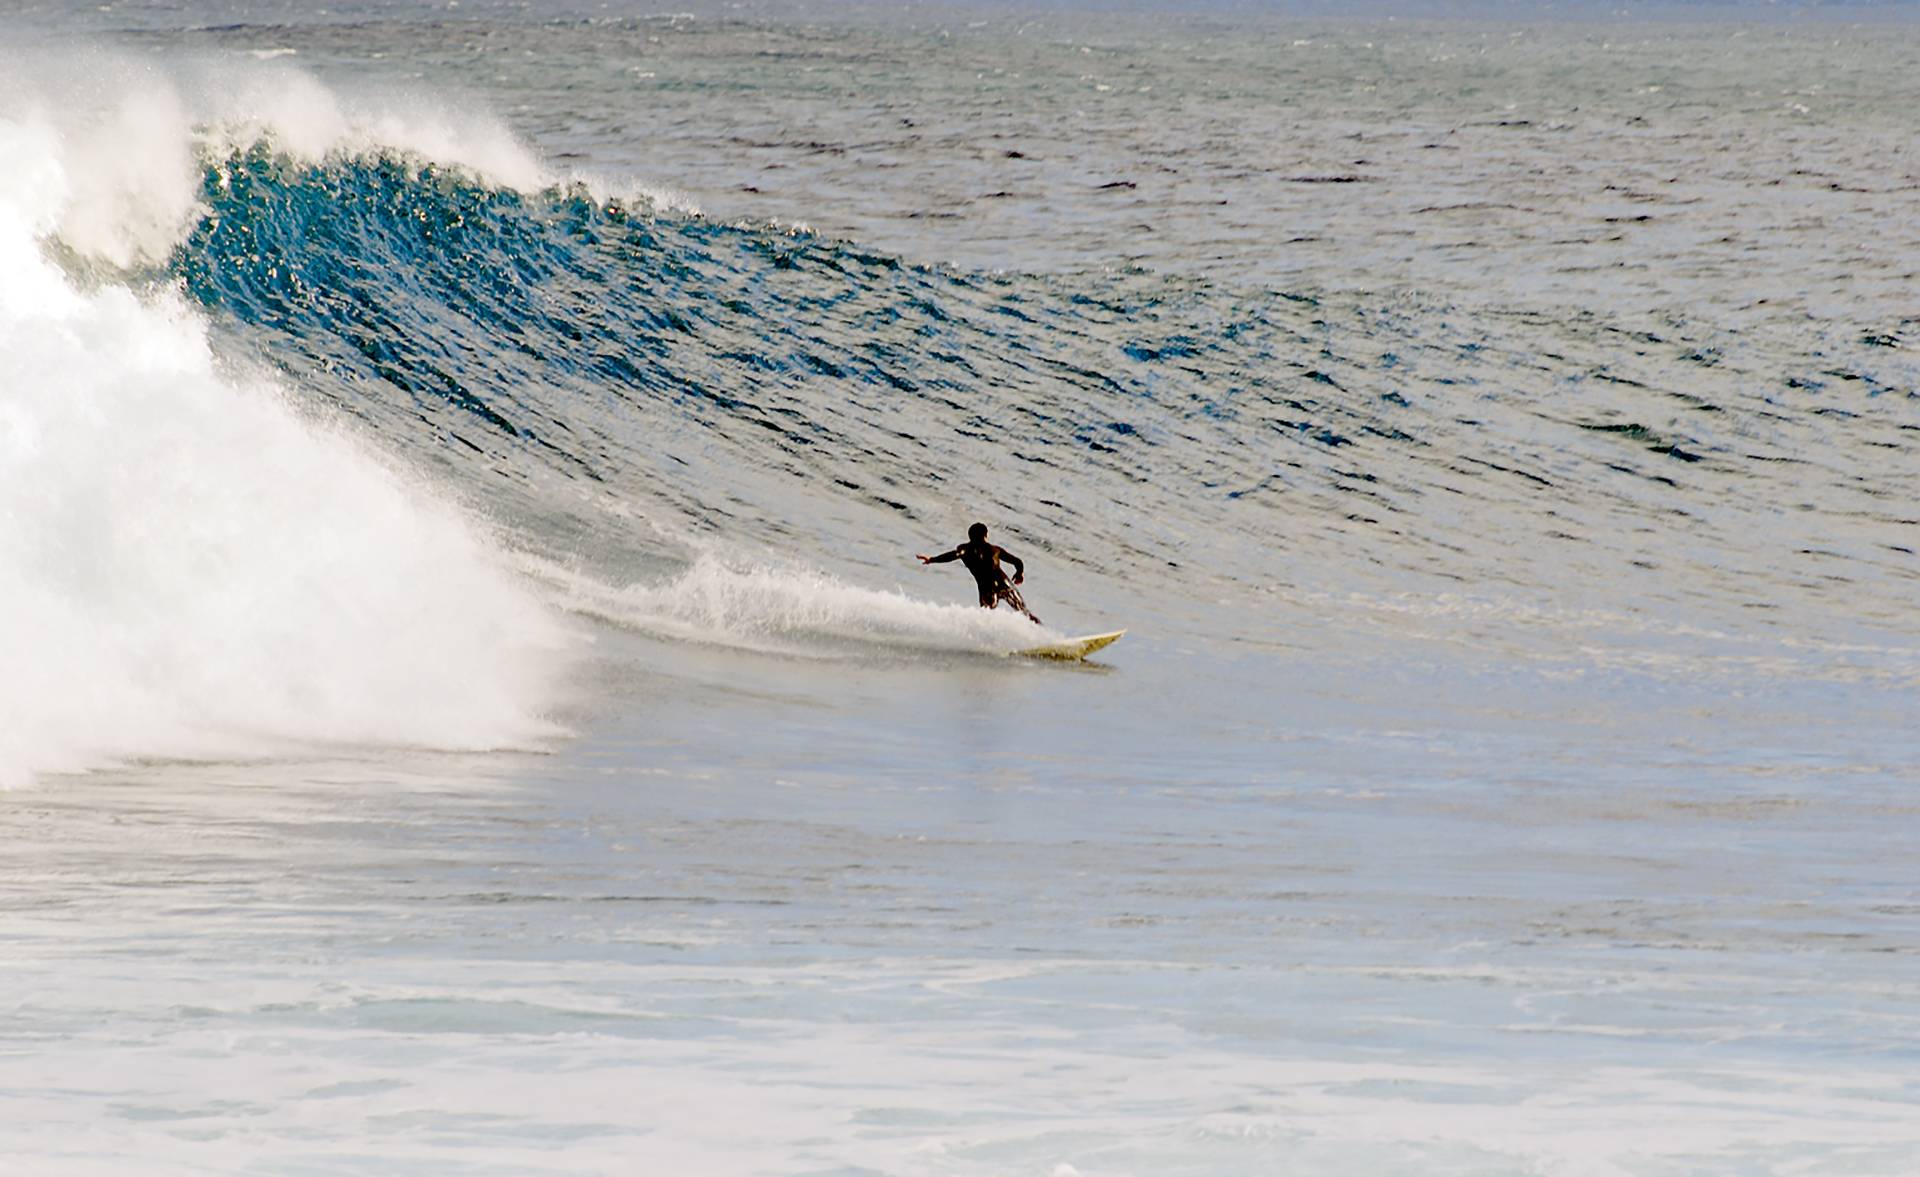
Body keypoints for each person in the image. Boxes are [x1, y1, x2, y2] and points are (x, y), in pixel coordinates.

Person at [917, 522, 1041, 624]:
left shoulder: (964, 549)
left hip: (987, 588)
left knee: (987, 617)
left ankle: (992, 643)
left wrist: (932, 560)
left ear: (970, 536)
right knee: (1024, 612)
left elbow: (952, 555)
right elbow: (1017, 562)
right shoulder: (995, 550)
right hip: (1005, 585)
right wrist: (1019, 573)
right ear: (986, 535)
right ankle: (1043, 634)